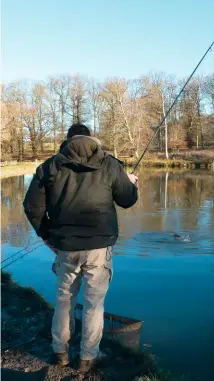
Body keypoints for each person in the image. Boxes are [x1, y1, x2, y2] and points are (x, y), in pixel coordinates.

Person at [23, 123, 138, 372]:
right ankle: (87, 358)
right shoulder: (110, 164)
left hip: (65, 246)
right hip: (99, 247)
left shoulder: (49, 167)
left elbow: (32, 207)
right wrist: (130, 182)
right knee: (94, 303)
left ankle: (60, 352)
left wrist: (46, 237)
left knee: (64, 299)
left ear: (67, 140)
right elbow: (127, 200)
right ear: (91, 138)